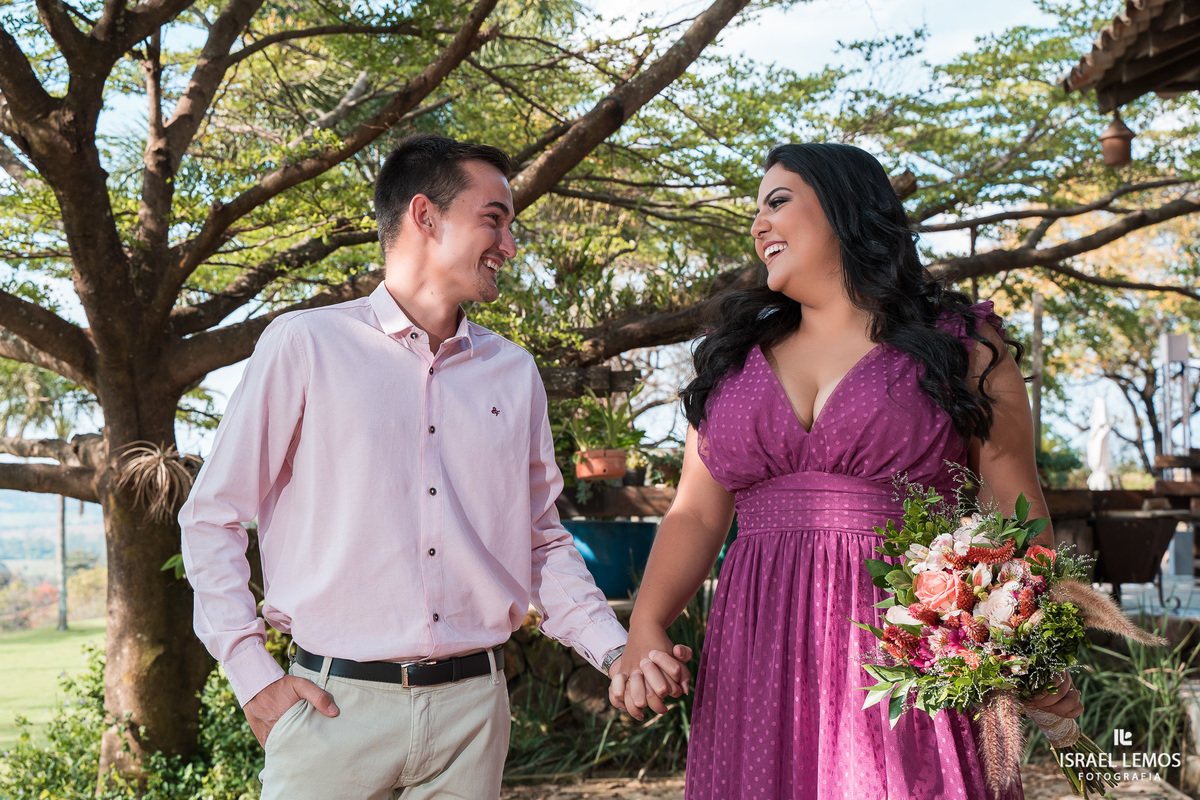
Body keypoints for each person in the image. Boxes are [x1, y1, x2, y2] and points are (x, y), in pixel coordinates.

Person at [179, 133, 686, 800]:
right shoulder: (306, 345)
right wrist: (252, 674)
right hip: (332, 713)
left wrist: (616, 651)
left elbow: (540, 543)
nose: (510, 245)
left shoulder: (514, 373)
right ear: (425, 216)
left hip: (473, 714)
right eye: (494, 220)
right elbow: (212, 515)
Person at [608, 143, 1083, 799]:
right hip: (758, 654)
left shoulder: (964, 348)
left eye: (778, 202)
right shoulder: (730, 364)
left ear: (845, 209)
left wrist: (1027, 644)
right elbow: (695, 512)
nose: (758, 224)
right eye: (755, 210)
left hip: (906, 650)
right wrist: (646, 624)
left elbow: (1016, 513)